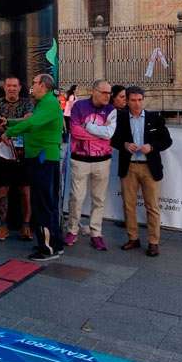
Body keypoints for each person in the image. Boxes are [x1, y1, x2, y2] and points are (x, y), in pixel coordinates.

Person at [3, 74, 65, 261]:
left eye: (35, 83)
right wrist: (11, 122)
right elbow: (31, 123)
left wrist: (10, 131)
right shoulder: (46, 103)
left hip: (42, 158)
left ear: (43, 86)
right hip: (44, 157)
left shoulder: (48, 103)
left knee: (42, 203)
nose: (32, 87)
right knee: (48, 202)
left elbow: (32, 123)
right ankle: (55, 243)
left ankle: (47, 248)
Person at [111, 86, 173, 257]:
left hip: (149, 167)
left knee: (152, 206)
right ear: (127, 101)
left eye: (139, 100)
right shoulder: (121, 118)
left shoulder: (155, 118)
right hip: (129, 167)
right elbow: (113, 139)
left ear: (143, 100)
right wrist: (124, 145)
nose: (137, 104)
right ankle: (133, 238)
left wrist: (151, 147)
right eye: (133, 100)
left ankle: (153, 242)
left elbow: (167, 141)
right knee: (129, 205)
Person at [66, 79, 117, 251]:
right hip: (80, 159)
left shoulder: (111, 110)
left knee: (99, 199)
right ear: (94, 91)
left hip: (102, 161)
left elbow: (109, 133)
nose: (107, 96)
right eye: (104, 92)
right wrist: (99, 136)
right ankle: (72, 230)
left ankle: (96, 233)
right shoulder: (79, 106)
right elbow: (75, 131)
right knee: (77, 197)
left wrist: (88, 127)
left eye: (109, 93)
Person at [0, 75, 34, 242]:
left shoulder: (27, 102)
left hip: (23, 152)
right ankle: (3, 225)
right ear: (5, 87)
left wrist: (7, 122)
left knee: (25, 190)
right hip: (3, 152)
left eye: (15, 86)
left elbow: (29, 122)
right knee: (2, 189)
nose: (12, 88)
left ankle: (26, 225)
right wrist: (19, 124)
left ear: (20, 87)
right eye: (9, 86)